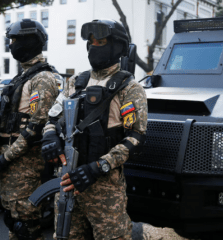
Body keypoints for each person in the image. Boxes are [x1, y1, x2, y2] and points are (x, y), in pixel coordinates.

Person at [41, 19, 148, 239]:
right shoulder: (75, 83)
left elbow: (135, 138)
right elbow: (52, 118)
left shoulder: (130, 89)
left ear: (117, 46)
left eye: (100, 41)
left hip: (104, 188)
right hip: (68, 180)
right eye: (91, 42)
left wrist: (98, 167)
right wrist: (50, 135)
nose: (93, 47)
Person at [0, 19, 59, 240]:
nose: (11, 44)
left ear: (30, 41)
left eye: (15, 40)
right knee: (13, 220)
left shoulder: (42, 79)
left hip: (26, 164)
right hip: (10, 161)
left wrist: (3, 159)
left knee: (26, 226)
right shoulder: (21, 78)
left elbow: (36, 128)